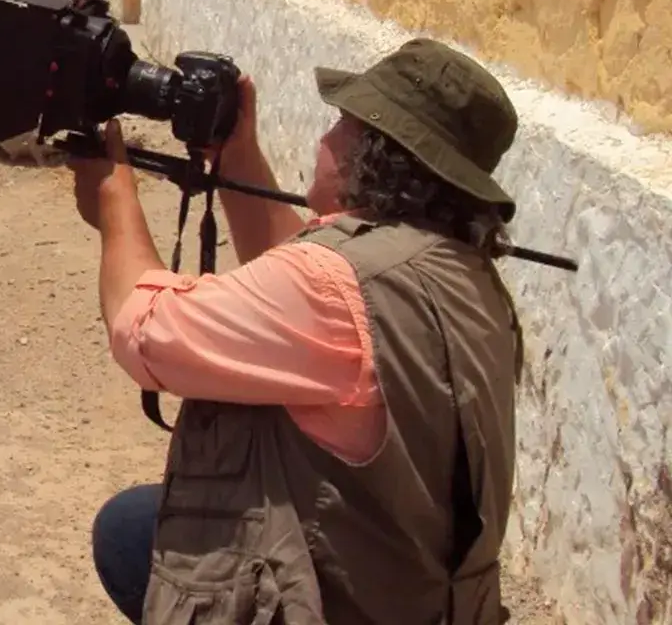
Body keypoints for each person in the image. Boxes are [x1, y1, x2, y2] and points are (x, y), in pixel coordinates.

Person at [69, 38, 526, 624]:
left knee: (126, 535)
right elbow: (316, 302)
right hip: (423, 598)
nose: (327, 137)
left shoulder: (333, 286)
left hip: (346, 608)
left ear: (374, 153)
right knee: (136, 523)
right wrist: (238, 158)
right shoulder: (457, 271)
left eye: (344, 124)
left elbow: (143, 329)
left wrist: (114, 200)